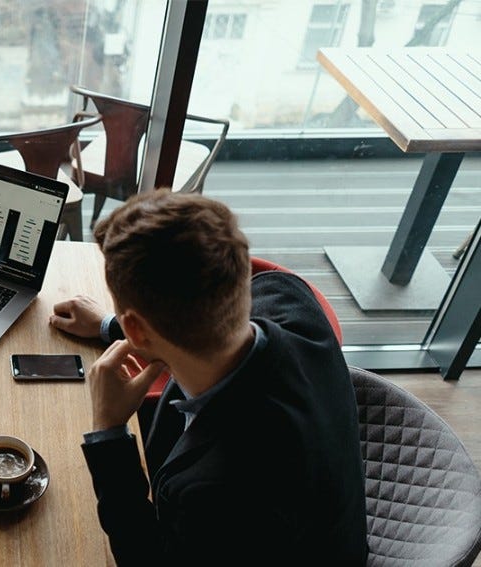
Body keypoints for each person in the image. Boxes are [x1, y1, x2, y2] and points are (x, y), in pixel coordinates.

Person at [50, 191, 367, 563]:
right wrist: (110, 325)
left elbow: (145, 556)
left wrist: (109, 432)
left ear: (136, 328)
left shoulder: (215, 492)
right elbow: (206, 321)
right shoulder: (288, 297)